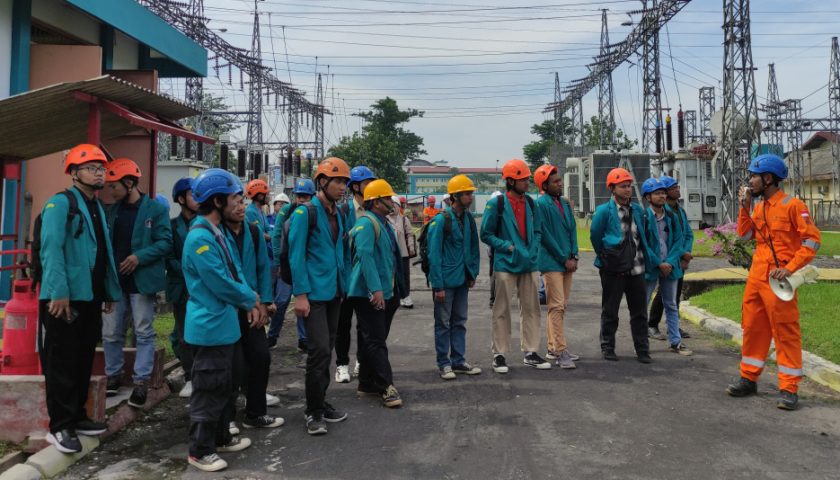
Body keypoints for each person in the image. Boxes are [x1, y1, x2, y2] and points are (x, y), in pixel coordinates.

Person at [38, 144, 121, 453]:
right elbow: (51, 249)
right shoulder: (60, 204)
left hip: (90, 296)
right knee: (61, 362)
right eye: (92, 168)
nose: (100, 173)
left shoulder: (96, 206)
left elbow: (103, 253)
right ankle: (59, 427)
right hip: (65, 298)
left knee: (83, 358)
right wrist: (57, 291)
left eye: (102, 169)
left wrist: (108, 291)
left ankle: (77, 417)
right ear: (74, 173)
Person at [726, 154, 821, 410]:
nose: (750, 181)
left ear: (768, 179)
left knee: (785, 331)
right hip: (757, 278)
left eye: (754, 177)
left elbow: (812, 241)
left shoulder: (793, 205)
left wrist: (789, 268)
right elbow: (744, 235)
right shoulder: (758, 207)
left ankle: (789, 388)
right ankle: (748, 378)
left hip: (780, 281)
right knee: (752, 328)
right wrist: (744, 206)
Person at [183, 168, 257, 472]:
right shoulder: (200, 238)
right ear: (216, 201)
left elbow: (234, 269)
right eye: (235, 198)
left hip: (224, 325)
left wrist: (249, 295)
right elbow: (219, 281)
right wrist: (250, 298)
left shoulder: (216, 232)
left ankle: (221, 437)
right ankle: (200, 450)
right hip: (210, 326)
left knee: (225, 385)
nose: (240, 203)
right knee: (209, 388)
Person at [102, 158, 172, 407]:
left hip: (141, 282)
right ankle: (113, 375)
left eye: (114, 186)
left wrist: (139, 257)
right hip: (116, 282)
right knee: (111, 332)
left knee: (143, 331)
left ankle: (141, 381)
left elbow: (165, 242)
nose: (111, 191)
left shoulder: (155, 209)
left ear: (129, 183)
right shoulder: (112, 211)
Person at [289, 157, 351, 435]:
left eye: (345, 182)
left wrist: (344, 284)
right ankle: (312, 412)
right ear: (322, 181)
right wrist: (300, 295)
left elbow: (343, 250)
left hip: (334, 292)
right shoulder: (305, 214)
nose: (342, 187)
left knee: (328, 349)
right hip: (313, 294)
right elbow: (296, 256)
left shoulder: (338, 213)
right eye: (338, 181)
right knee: (319, 351)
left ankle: (321, 401)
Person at [480, 159, 549, 373]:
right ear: (510, 181)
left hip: (529, 263)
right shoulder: (497, 204)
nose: (527, 182)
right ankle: (499, 354)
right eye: (523, 179)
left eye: (527, 178)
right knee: (501, 309)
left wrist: (534, 249)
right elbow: (485, 234)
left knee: (532, 309)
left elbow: (538, 230)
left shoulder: (531, 203)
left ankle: (531, 351)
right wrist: (507, 246)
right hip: (506, 263)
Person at [222, 194, 283, 429]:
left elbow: (262, 268)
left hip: (255, 307)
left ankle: (255, 413)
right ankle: (226, 419)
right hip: (229, 307)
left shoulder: (253, 232)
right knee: (233, 364)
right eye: (235, 203)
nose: (241, 207)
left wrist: (266, 301)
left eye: (242, 202)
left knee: (261, 356)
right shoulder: (216, 234)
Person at [349, 179, 405, 406]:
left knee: (373, 338)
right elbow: (365, 257)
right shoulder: (366, 224)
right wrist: (376, 290)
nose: (391, 201)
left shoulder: (383, 223)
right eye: (387, 198)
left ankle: (366, 382)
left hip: (385, 291)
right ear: (376, 202)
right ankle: (385, 386)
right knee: (376, 340)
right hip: (368, 293)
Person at [590, 168, 653, 363]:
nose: (627, 189)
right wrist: (606, 257)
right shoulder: (604, 211)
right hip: (613, 269)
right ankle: (608, 347)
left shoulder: (638, 210)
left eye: (629, 186)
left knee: (640, 312)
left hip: (637, 268)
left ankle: (642, 349)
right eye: (623, 186)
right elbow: (595, 236)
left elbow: (643, 235)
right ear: (612, 188)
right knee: (610, 310)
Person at [428, 175, 482, 380]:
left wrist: (472, 272)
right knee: (443, 323)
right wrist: (438, 285)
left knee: (459, 321)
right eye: (467, 194)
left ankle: (458, 360)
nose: (470, 197)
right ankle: (444, 363)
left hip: (462, 280)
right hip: (445, 282)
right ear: (455, 196)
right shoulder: (441, 220)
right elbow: (434, 255)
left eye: (471, 193)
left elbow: (474, 247)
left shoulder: (468, 219)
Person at [534, 164, 580, 369]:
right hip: (552, 262)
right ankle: (561, 351)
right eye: (555, 181)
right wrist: (564, 258)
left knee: (560, 306)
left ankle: (553, 347)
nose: (560, 184)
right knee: (557, 305)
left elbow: (572, 230)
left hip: (568, 261)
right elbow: (545, 235)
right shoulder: (540, 205)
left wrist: (574, 255)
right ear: (544, 185)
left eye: (560, 180)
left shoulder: (564, 203)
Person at [640, 177, 692, 357]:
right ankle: (641, 343)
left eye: (663, 193)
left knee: (671, 304)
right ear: (648, 197)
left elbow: (678, 240)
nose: (662, 196)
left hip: (670, 266)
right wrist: (658, 263)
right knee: (643, 305)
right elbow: (643, 244)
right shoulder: (643, 217)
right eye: (657, 193)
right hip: (651, 267)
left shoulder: (672, 216)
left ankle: (676, 342)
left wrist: (669, 261)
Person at [335, 165, 376, 383]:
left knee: (364, 324)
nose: (370, 187)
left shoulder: (372, 212)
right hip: (346, 277)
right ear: (356, 187)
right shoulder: (343, 211)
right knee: (342, 323)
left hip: (364, 277)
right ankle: (342, 364)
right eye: (367, 183)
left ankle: (361, 359)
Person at [268, 179, 315, 351]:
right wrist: (278, 262)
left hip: (306, 265)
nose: (301, 199)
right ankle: (272, 336)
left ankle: (304, 339)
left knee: (304, 302)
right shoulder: (286, 211)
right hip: (286, 263)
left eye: (306, 196)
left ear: (312, 196)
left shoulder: (315, 212)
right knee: (282, 301)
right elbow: (276, 236)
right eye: (299, 196)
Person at [167, 177, 199, 398]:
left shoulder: (207, 224)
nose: (197, 198)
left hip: (203, 287)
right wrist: (189, 271)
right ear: (181, 199)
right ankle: (189, 376)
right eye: (192, 194)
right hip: (180, 287)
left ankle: (203, 373)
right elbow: (169, 257)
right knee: (183, 334)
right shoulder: (172, 226)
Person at [387, 195, 417, 309]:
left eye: (394, 205)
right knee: (391, 276)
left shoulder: (404, 219)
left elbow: (409, 234)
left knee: (404, 275)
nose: (391, 207)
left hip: (403, 253)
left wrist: (411, 247)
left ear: (398, 206)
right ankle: (395, 296)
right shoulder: (385, 219)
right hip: (389, 254)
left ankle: (406, 296)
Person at [487, 191, 502, 308]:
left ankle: (494, 299)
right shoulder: (496, 214)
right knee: (494, 274)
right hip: (495, 248)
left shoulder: (493, 212)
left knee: (494, 274)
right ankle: (493, 299)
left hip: (496, 248)